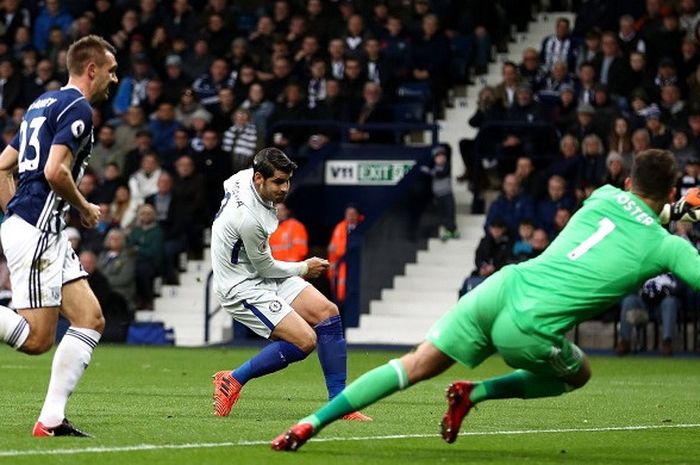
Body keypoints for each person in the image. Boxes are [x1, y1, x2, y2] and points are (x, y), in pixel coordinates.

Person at [271, 149, 700, 451]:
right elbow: (654, 222)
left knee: (412, 365)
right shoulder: (669, 247)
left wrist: (678, 206)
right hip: (531, 325)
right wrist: (683, 213)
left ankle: (310, 423)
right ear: (670, 188)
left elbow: (642, 210)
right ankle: (477, 392)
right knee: (579, 372)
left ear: (627, 182)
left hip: (499, 288)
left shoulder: (604, 195)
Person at [0, 35, 117, 437]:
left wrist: (14, 215)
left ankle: (50, 420)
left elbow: (2, 166)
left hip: (38, 230)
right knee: (36, 340)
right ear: (91, 70)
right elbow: (54, 171)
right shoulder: (79, 107)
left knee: (90, 318)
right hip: (37, 231)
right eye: (111, 70)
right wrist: (85, 208)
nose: (114, 79)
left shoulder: (41, 103)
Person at [210, 148, 370, 421]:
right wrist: (304, 268)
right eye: (278, 182)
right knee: (305, 341)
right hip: (241, 285)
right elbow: (265, 266)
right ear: (259, 178)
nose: (285, 188)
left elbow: (229, 186)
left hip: (259, 271)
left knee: (328, 312)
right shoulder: (249, 219)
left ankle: (340, 405)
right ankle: (233, 379)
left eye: (287, 181)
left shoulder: (242, 177)